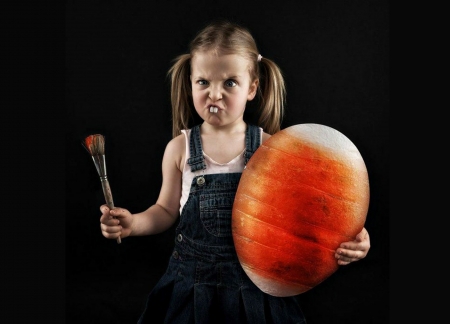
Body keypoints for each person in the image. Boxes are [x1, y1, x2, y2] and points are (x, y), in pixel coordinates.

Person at [99, 20, 371, 324]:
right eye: (203, 82)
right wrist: (132, 224)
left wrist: (352, 233)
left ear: (252, 88)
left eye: (230, 82)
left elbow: (310, 210)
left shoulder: (274, 149)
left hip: (256, 292)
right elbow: (164, 210)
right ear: (190, 83)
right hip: (192, 290)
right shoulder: (179, 149)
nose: (214, 94)